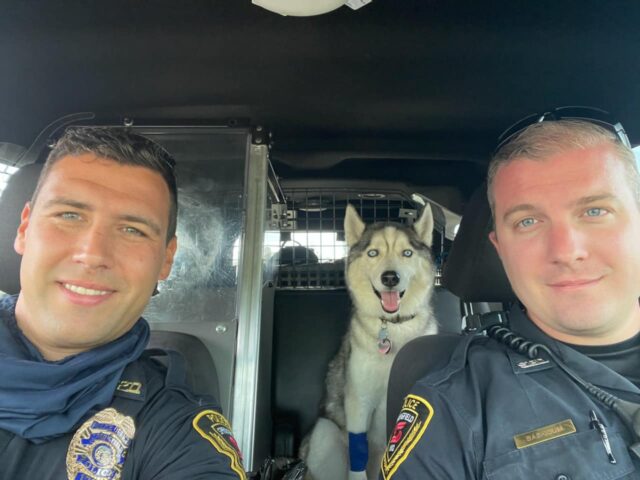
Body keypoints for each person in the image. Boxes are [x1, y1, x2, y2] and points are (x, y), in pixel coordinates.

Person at [381, 114, 640, 479]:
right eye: (528, 222)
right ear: (499, 249)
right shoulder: (455, 407)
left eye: (595, 211)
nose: (566, 250)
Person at [0, 127, 246, 479]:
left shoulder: (175, 431)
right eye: (69, 215)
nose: (92, 254)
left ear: (166, 259)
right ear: (24, 228)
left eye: (133, 230)